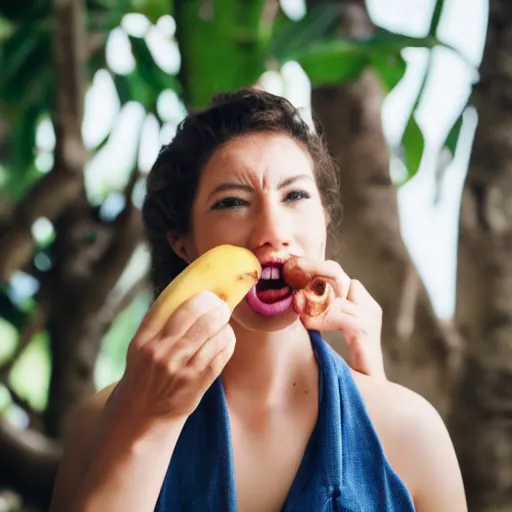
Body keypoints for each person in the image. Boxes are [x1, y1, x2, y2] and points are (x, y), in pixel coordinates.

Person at [49, 88, 466, 512]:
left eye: (296, 196)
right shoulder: (103, 423)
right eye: (231, 202)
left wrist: (371, 427)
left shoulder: (410, 429)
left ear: (323, 219)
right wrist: (145, 429)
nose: (271, 230)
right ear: (184, 244)